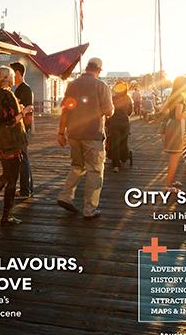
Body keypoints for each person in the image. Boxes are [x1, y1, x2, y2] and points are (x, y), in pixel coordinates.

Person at [57, 57, 114, 219]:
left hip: (74, 134)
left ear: (87, 67)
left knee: (77, 166)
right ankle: (90, 210)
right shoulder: (101, 86)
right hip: (93, 134)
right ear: (99, 70)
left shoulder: (72, 85)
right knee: (95, 171)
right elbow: (109, 111)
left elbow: (65, 111)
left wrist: (61, 132)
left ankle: (65, 196)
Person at [0, 66, 33, 225]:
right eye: (11, 76)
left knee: (6, 175)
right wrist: (24, 112)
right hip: (11, 142)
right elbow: (10, 121)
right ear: (8, 78)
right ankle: (6, 216)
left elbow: (0, 117)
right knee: (12, 179)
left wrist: (18, 110)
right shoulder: (8, 95)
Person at [160, 75, 186, 192]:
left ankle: (171, 181)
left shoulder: (172, 96)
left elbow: (162, 110)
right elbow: (179, 116)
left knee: (175, 156)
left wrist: (170, 115)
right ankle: (169, 186)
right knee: (175, 157)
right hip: (176, 128)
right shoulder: (181, 98)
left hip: (170, 125)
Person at [10, 62, 34, 198]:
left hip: (23, 129)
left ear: (18, 73)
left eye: (12, 73)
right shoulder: (18, 88)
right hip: (21, 128)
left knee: (23, 158)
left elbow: (29, 108)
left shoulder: (24, 89)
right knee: (24, 158)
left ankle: (25, 190)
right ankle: (28, 188)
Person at [107, 81, 133, 172]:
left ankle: (116, 165)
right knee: (123, 142)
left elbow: (108, 110)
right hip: (125, 123)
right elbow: (130, 111)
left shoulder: (112, 98)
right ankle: (124, 158)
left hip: (114, 123)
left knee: (115, 144)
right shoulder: (128, 98)